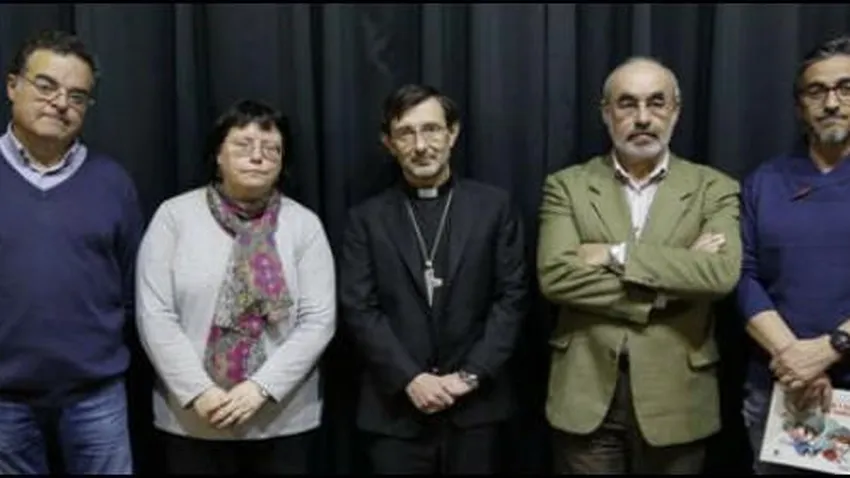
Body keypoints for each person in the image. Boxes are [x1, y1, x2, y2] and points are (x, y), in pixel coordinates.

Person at [537, 56, 742, 474]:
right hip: (586, 394)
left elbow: (720, 275)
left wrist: (617, 255)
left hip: (677, 397)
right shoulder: (567, 186)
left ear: (676, 112)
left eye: (657, 102)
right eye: (628, 103)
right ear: (606, 113)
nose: (643, 118)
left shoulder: (714, 187)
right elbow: (556, 278)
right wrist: (673, 281)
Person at [135, 99, 336, 474]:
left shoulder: (304, 225)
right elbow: (155, 315)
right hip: (194, 418)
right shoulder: (174, 217)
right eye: (243, 145)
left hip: (282, 418)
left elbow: (318, 320)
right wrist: (199, 392)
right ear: (218, 155)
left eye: (271, 149)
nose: (258, 157)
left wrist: (260, 388)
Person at [339, 83, 529, 474]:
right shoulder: (366, 219)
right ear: (389, 143)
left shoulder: (494, 207)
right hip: (395, 411)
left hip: (476, 408)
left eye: (431, 129)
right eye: (405, 133)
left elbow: (512, 298)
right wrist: (410, 378)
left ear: (452, 133)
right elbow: (360, 308)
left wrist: (470, 376)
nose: (421, 145)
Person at [0, 29, 143, 474]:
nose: (61, 103)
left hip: (95, 395)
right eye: (46, 86)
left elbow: (130, 286)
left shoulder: (113, 182)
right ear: (12, 86)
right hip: (3, 401)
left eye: (77, 96)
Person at [737, 35, 850, 474]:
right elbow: (743, 276)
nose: (831, 103)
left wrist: (831, 348)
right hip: (781, 393)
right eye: (816, 91)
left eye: (845, 88)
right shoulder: (764, 182)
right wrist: (796, 359)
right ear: (800, 106)